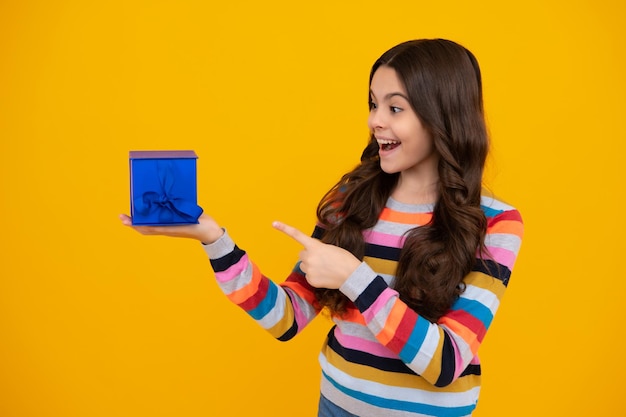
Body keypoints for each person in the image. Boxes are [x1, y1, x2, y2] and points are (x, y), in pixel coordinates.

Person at [120, 38, 524, 417]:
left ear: (443, 115)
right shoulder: (351, 200)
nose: (375, 121)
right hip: (335, 404)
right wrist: (215, 240)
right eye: (372, 104)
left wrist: (354, 278)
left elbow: (445, 363)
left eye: (395, 108)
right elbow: (286, 318)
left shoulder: (496, 223)